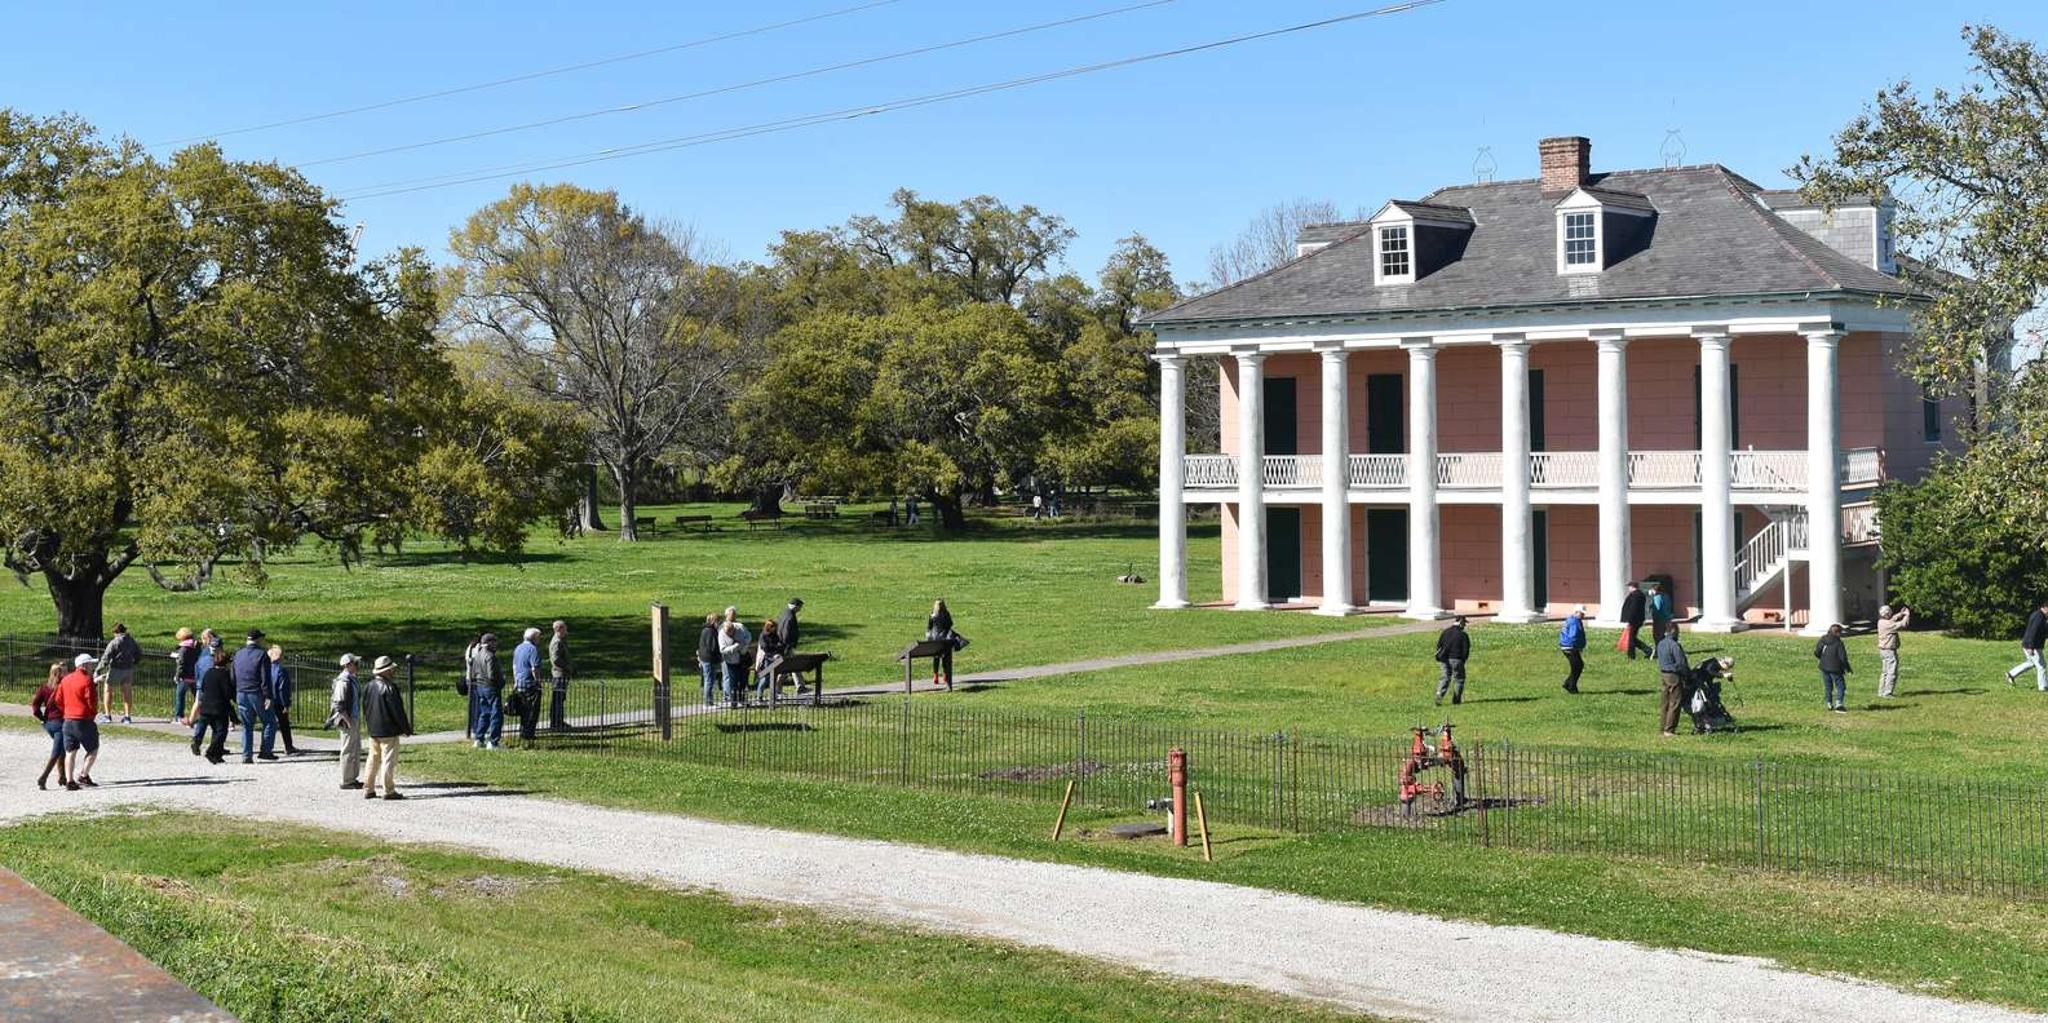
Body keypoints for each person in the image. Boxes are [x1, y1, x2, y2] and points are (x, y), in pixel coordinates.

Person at [362, 655, 413, 800]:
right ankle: (388, 790)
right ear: (385, 671)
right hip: (388, 730)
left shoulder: (369, 686)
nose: (392, 672)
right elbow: (397, 711)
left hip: (374, 730)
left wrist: (369, 725)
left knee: (373, 759)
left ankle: (368, 788)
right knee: (388, 760)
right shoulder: (390, 687)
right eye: (391, 669)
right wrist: (405, 728)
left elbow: (365, 708)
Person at [231, 629, 279, 763]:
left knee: (247, 725)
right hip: (256, 693)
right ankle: (266, 751)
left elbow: (233, 676)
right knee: (269, 721)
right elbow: (265, 678)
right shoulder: (262, 655)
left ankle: (246, 755)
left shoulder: (238, 654)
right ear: (258, 640)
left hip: (241, 692)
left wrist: (235, 691)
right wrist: (268, 696)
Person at [56, 653, 100, 789]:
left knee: (70, 751)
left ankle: (69, 781)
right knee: (93, 748)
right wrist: (92, 714)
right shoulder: (87, 680)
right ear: (84, 665)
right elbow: (91, 701)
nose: (92, 666)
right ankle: (83, 775)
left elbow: (58, 699)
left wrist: (66, 711)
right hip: (83, 720)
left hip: (68, 720)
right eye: (91, 664)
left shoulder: (66, 680)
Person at [192, 647, 238, 765]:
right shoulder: (224, 674)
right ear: (227, 663)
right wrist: (234, 698)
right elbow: (228, 692)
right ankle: (212, 751)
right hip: (219, 707)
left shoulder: (209, 672)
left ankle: (217, 754)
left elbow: (203, 687)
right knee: (221, 731)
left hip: (206, 706)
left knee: (215, 730)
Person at [32, 663, 68, 790]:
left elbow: (35, 706)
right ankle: (43, 777)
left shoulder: (44, 688)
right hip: (60, 723)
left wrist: (42, 718)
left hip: (49, 723)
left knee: (61, 748)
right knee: (57, 750)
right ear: (60, 674)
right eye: (65, 672)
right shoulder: (65, 687)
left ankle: (62, 776)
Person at [97, 621, 142, 724]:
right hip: (128, 668)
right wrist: (135, 662)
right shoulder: (131, 641)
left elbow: (106, 657)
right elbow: (138, 653)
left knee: (108, 690)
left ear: (115, 632)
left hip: (116, 668)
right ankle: (127, 716)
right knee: (127, 692)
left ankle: (107, 715)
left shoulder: (114, 642)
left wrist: (98, 670)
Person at [332, 654, 364, 790]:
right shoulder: (343, 681)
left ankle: (353, 778)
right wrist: (348, 721)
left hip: (354, 717)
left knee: (355, 748)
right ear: (348, 665)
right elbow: (339, 705)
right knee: (347, 749)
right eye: (355, 663)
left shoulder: (352, 679)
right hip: (348, 719)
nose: (357, 666)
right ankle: (346, 780)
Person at [468, 633, 505, 749]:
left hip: (480, 686)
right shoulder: (490, 656)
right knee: (496, 714)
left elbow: (473, 673)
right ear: (489, 643)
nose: (495, 645)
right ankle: (493, 742)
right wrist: (501, 682)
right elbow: (492, 675)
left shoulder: (477, 655)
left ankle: (479, 738)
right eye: (494, 642)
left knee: (484, 713)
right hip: (491, 687)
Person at [2006, 601, 2048, 691]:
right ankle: (2043, 687)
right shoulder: (2039, 617)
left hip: (2028, 644)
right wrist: (2030, 647)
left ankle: (2011, 674)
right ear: (2046, 608)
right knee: (2042, 666)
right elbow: (2033, 632)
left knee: (2030, 663)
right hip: (2032, 645)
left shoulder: (2038, 615)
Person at [267, 644, 301, 755]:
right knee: (284, 724)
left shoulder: (265, 668)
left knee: (268, 724)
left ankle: (267, 747)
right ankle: (288, 746)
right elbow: (282, 689)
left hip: (267, 700)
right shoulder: (281, 670)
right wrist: (286, 704)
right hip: (278, 701)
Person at [1655, 624, 1688, 737]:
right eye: (1677, 632)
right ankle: (1669, 730)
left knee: (1665, 703)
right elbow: (1681, 663)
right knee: (1675, 702)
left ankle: (1662, 728)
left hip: (1663, 674)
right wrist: (1687, 674)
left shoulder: (1660, 643)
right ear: (1674, 632)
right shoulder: (1674, 645)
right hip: (1674, 675)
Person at [512, 626, 543, 742]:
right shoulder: (533, 649)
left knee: (523, 709)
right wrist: (538, 682)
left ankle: (523, 730)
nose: (539, 640)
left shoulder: (518, 648)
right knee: (532, 710)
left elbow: (514, 666)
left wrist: (516, 681)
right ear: (534, 638)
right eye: (538, 637)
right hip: (530, 683)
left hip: (520, 682)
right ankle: (529, 733)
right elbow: (535, 668)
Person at [1433, 616, 1471, 706]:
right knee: (1459, 679)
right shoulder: (1463, 635)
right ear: (1461, 622)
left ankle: (1439, 694)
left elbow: (1439, 646)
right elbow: (1465, 650)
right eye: (1464, 623)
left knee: (1445, 677)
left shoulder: (1445, 632)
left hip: (1443, 659)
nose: (1465, 625)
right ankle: (1456, 700)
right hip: (1456, 659)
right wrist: (1463, 660)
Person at [1815, 623, 1852, 713]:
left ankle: (1829, 703)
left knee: (1828, 686)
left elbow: (1817, 652)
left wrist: (1822, 658)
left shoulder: (1823, 639)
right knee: (1841, 686)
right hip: (1836, 668)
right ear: (1838, 633)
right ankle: (1839, 704)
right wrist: (1847, 668)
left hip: (1824, 666)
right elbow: (1842, 657)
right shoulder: (1838, 643)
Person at [1876, 604, 1911, 699]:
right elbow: (1903, 624)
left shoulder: (1881, 622)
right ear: (1887, 614)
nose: (1891, 613)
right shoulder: (1888, 624)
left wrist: (1901, 613)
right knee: (1892, 671)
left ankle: (1881, 692)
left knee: (1885, 672)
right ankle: (1887, 693)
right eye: (1890, 612)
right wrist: (1907, 615)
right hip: (1889, 650)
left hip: (1883, 650)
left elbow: (1892, 619)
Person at [718, 609, 751, 706]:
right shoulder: (721, 633)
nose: (731, 634)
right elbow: (722, 649)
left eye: (732, 632)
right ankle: (733, 702)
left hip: (742, 660)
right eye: (728, 633)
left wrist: (743, 646)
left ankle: (742, 700)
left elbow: (748, 637)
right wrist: (735, 647)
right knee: (733, 682)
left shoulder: (740, 627)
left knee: (743, 681)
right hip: (731, 661)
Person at [171, 627, 201, 722]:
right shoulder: (197, 647)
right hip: (195, 675)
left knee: (180, 696)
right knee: (197, 697)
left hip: (184, 676)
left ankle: (179, 716)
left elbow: (181, 663)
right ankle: (199, 715)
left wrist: (177, 675)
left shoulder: (183, 648)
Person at [927, 599, 958, 688]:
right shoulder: (946, 614)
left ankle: (935, 675)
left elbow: (929, 627)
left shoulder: (932, 614)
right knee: (945, 657)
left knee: (936, 658)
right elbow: (950, 624)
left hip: (935, 639)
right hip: (945, 639)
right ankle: (945, 675)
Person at [753, 619, 785, 702]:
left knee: (774, 677)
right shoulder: (763, 636)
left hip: (776, 658)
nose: (776, 629)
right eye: (774, 627)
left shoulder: (775, 635)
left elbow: (780, 645)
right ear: (769, 627)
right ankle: (759, 695)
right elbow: (765, 648)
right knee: (765, 677)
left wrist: (777, 649)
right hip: (767, 658)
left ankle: (773, 695)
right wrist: (775, 648)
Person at [1617, 582, 1651, 659]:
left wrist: (1630, 620)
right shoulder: (1639, 595)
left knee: (1631, 639)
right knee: (1632, 638)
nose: (1628, 588)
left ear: (1632, 587)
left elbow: (1633, 609)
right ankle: (1648, 650)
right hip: (1637, 620)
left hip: (1634, 620)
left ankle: (1632, 656)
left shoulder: (1635, 595)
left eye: (1629, 587)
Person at [1558, 607, 1587, 694]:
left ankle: (1568, 683)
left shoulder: (1572, 619)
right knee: (1577, 667)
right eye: (1581, 613)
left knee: (1578, 666)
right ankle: (1571, 686)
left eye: (1583, 613)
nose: (1583, 615)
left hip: (1568, 646)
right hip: (1570, 647)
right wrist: (1576, 647)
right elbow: (1573, 635)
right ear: (1576, 612)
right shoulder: (1574, 621)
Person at [548, 619, 571, 730]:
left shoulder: (560, 640)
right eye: (564, 628)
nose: (566, 630)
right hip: (559, 674)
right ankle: (556, 723)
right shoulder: (557, 642)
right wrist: (566, 667)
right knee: (558, 699)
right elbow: (556, 659)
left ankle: (558, 721)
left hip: (562, 674)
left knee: (560, 699)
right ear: (559, 629)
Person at [696, 613, 722, 707]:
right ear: (713, 621)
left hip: (705, 658)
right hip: (709, 659)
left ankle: (709, 701)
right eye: (718, 621)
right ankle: (708, 702)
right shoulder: (711, 631)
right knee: (709, 680)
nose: (719, 623)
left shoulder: (705, 630)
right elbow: (713, 647)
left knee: (709, 679)